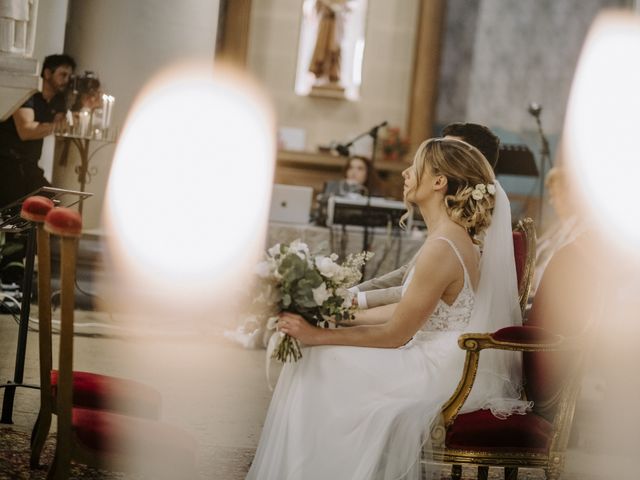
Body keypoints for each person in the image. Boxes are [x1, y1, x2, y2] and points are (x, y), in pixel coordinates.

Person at [246, 137, 528, 480]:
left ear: (439, 182)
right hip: (436, 352)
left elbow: (395, 334)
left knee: (318, 361)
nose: (407, 173)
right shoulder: (449, 237)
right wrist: (333, 315)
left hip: (438, 370)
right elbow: (406, 313)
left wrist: (317, 336)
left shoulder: (443, 246)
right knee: (317, 359)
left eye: (417, 167)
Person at [350, 122, 500, 309]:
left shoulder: (476, 228)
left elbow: (418, 291)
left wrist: (354, 301)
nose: (440, 154)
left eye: (449, 151)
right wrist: (353, 292)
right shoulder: (450, 219)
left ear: (468, 162)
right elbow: (410, 273)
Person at [0, 53, 76, 208]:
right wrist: (57, 125)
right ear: (47, 73)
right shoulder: (28, 94)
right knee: (18, 215)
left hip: (29, 166)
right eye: (63, 74)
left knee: (53, 205)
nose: (66, 80)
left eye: (69, 76)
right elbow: (25, 131)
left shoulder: (57, 100)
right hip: (7, 164)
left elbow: (60, 134)